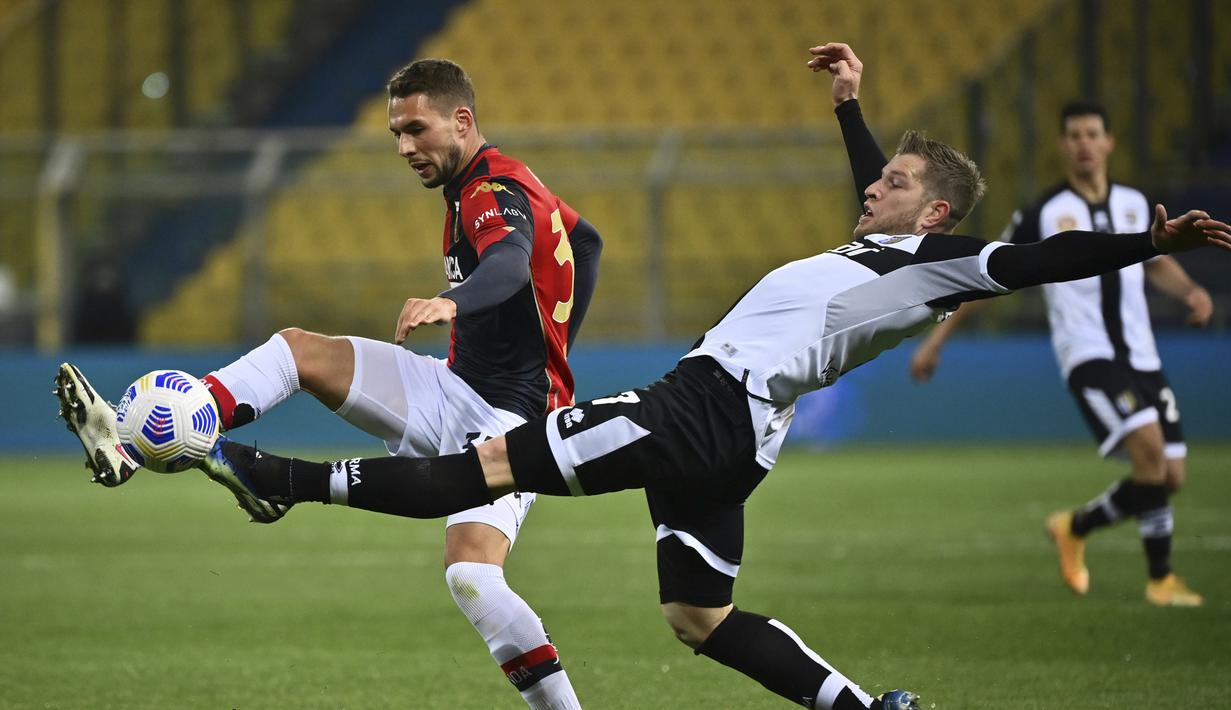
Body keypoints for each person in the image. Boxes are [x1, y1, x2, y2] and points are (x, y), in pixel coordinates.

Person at [125, 43, 1231, 710]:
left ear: (932, 212)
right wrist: (850, 106)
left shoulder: (947, 263)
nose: (871, 184)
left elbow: (1036, 258)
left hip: (702, 405)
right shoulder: (888, 249)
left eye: (891, 179)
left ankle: (272, 472)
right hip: (742, 434)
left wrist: (1147, 240)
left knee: (486, 465)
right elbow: (881, 195)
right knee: (698, 616)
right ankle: (858, 703)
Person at [55, 58, 601, 710]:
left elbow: (509, 262)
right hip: (455, 388)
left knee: (472, 575)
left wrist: (457, 302)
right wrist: (556, 338)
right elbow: (586, 242)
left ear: (462, 120)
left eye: (416, 129)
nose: (404, 147)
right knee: (297, 352)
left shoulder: (488, 191)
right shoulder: (510, 181)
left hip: (512, 417)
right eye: (396, 132)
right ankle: (134, 441)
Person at [907, 98, 1212, 607]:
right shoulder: (1042, 212)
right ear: (1062, 146)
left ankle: (1074, 526)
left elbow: (1156, 260)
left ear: (1109, 142)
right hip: (1089, 356)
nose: (1084, 144)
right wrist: (936, 341)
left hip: (1142, 355)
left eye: (1093, 134)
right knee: (1152, 456)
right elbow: (986, 279)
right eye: (1074, 136)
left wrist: (1192, 292)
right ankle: (1162, 579)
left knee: (1168, 476)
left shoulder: (1138, 203)